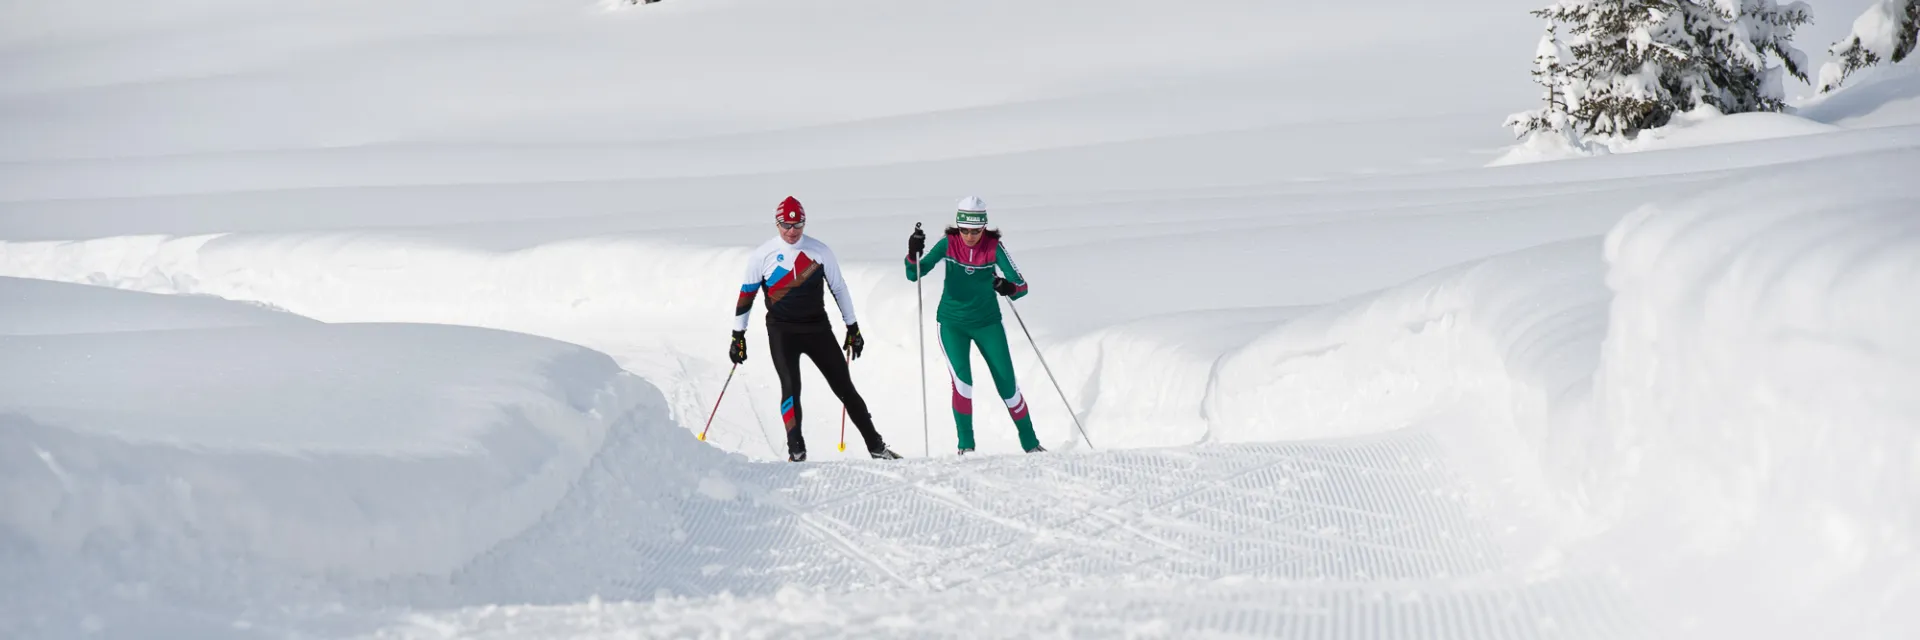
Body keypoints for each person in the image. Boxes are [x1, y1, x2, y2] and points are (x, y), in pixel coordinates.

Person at [731, 196, 902, 462]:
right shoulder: (762, 255)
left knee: (845, 387)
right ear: (776, 224)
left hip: (816, 329)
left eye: (797, 225)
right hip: (781, 331)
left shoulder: (819, 251)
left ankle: (876, 446)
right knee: (790, 387)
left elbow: (839, 288)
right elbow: (746, 296)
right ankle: (796, 450)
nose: (791, 231)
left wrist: (852, 327)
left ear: (804, 222)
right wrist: (737, 336)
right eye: (785, 225)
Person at [905, 196, 1044, 455]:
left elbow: (1021, 286)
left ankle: (1031, 444)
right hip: (952, 323)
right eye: (964, 230)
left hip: (987, 323)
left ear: (984, 227)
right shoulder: (949, 243)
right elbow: (915, 274)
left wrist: (1007, 286)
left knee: (1008, 387)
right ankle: (966, 448)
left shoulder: (994, 247)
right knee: (963, 384)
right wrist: (913, 253)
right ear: (958, 227)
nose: (969, 236)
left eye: (975, 231)